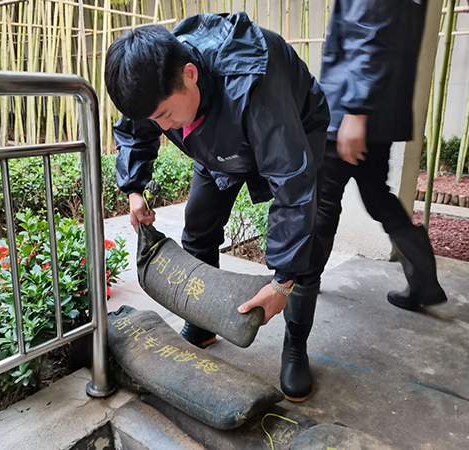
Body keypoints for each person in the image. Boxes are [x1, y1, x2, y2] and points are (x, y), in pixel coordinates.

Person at [105, 12, 329, 402]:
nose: (163, 126)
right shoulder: (156, 79)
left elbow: (292, 189)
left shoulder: (253, 83)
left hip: (294, 130)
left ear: (190, 74)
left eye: (165, 115)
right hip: (214, 139)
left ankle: (296, 345)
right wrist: (135, 188)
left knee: (305, 251)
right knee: (198, 228)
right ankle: (202, 323)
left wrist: (282, 282)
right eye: (157, 119)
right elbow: (136, 128)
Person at [307, 0, 447, 312]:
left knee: (324, 201)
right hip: (377, 112)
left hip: (351, 111)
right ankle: (423, 280)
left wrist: (355, 110)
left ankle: (305, 284)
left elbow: (368, 35)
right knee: (377, 196)